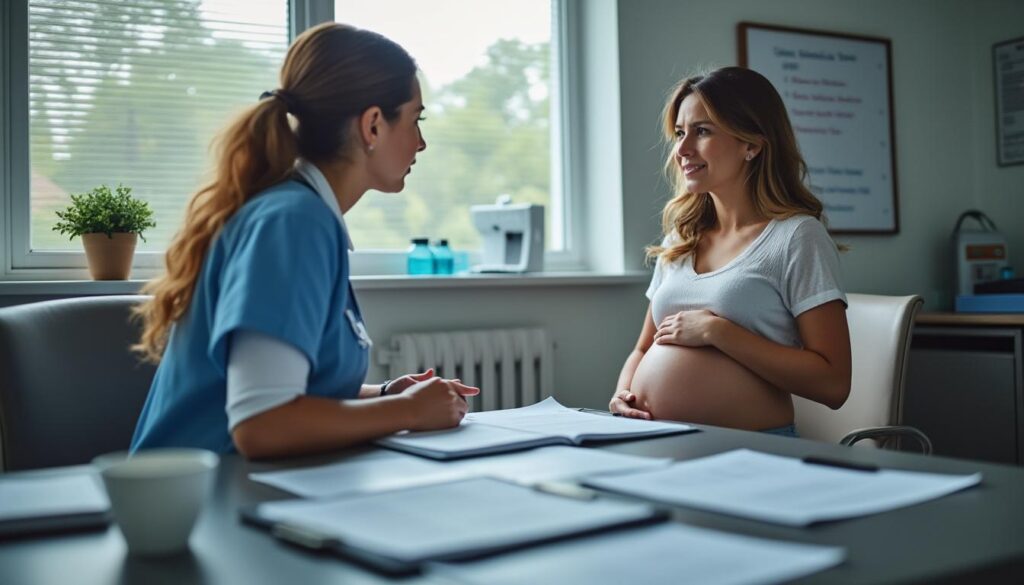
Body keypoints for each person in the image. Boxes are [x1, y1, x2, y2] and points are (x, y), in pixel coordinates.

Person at [130, 22, 478, 459]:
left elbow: (292, 392)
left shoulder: (303, 215)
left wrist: (389, 393)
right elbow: (262, 424)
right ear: (372, 126)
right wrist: (406, 411)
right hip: (197, 504)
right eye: (415, 119)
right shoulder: (294, 222)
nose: (421, 143)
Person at [609, 67, 851, 437]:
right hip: (653, 441)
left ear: (752, 144)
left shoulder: (797, 237)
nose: (682, 150)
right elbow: (642, 349)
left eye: (702, 131)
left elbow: (834, 383)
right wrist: (622, 393)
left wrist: (719, 332)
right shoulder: (681, 237)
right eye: (679, 134)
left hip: (749, 452)